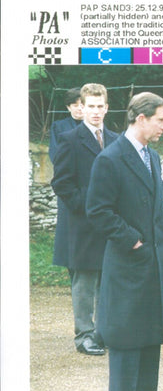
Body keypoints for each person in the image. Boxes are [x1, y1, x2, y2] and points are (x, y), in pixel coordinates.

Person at [86, 92, 163, 391]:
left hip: (155, 259)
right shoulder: (110, 159)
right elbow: (97, 210)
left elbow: (158, 205)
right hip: (128, 260)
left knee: (151, 329)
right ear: (141, 119)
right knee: (126, 332)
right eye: (160, 120)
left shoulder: (152, 157)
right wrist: (133, 241)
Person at [51, 83, 119, 356]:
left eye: (100, 106)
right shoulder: (70, 139)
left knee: (108, 278)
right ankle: (84, 336)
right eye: (90, 106)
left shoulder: (116, 139)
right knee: (85, 281)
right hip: (81, 223)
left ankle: (103, 332)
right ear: (81, 106)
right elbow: (62, 184)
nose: (95, 111)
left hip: (109, 223)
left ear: (107, 107)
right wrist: (89, 206)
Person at [49, 88, 83, 272]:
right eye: (74, 105)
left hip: (89, 186)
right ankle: (72, 268)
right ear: (68, 107)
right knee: (69, 234)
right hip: (69, 186)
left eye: (81, 105)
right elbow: (56, 155)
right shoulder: (59, 127)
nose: (79, 109)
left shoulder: (95, 128)